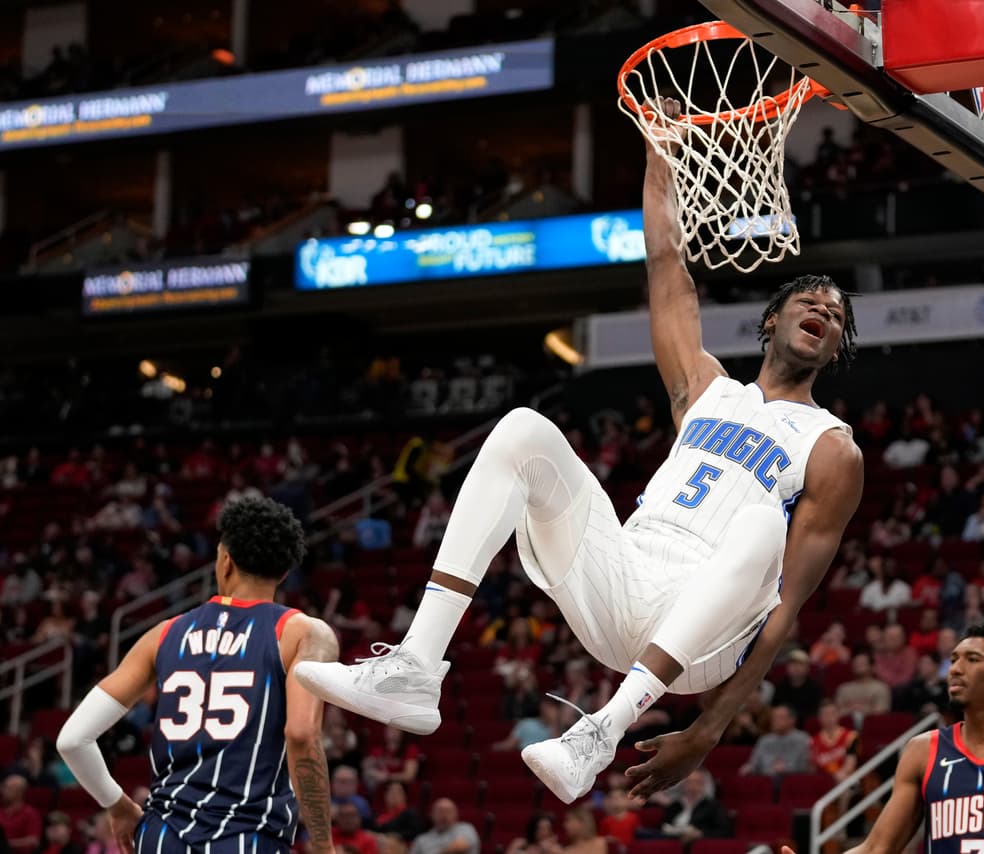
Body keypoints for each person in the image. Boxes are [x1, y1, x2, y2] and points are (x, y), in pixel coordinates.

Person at [296, 96, 866, 805]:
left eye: (837, 315)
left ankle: (601, 732)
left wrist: (708, 729)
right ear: (772, 319)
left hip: (703, 634)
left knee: (759, 526)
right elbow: (667, 261)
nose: (824, 311)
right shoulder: (706, 387)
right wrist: (660, 157)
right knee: (523, 430)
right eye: (812, 300)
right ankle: (415, 666)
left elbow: (786, 607)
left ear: (834, 348)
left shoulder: (832, 448)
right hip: (622, 578)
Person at [54, 498, 338, 854]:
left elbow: (72, 740)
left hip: (161, 838)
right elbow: (301, 734)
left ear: (225, 560)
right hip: (247, 837)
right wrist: (323, 846)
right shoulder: (303, 633)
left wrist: (119, 805)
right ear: (284, 573)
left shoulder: (163, 634)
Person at [789, 621, 984, 854]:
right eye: (953, 659)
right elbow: (877, 848)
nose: (955, 669)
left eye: (972, 659)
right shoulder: (922, 751)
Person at [409, 799, 480, 854]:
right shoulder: (421, 839)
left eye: (448, 811)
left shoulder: (466, 828)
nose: (444, 815)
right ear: (431, 814)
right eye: (440, 811)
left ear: (456, 814)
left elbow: (460, 847)